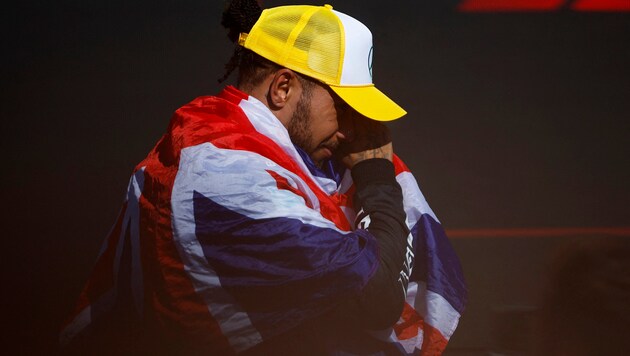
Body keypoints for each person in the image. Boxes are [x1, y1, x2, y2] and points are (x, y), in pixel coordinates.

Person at [60, 1, 466, 355]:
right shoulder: (224, 171)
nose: (351, 130)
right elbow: (377, 298)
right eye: (343, 106)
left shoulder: (266, 156)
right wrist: (377, 178)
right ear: (283, 88)